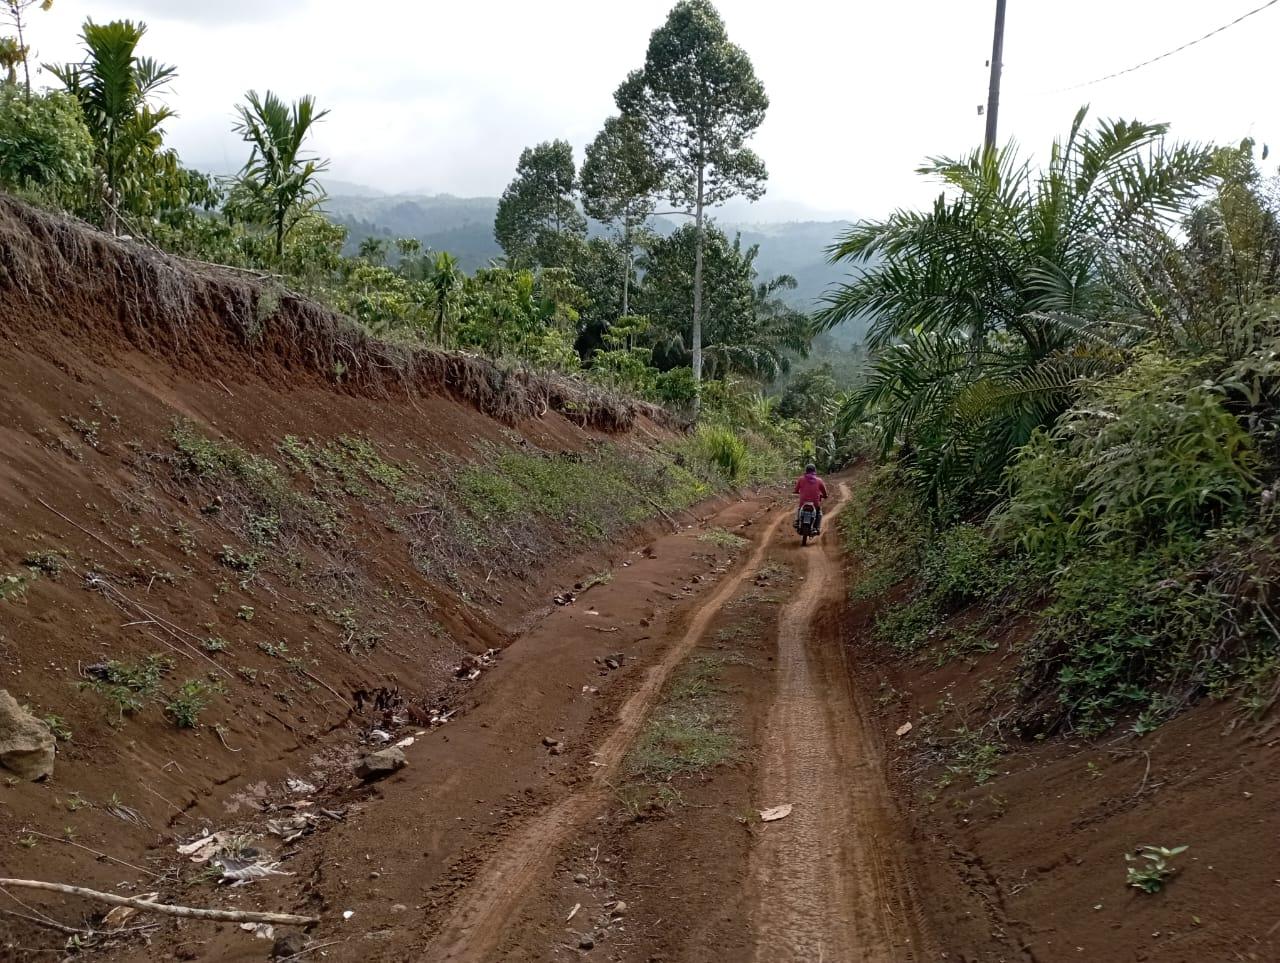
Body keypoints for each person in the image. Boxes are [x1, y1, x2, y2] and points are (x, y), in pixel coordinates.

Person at [793, 463, 829, 533]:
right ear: (814, 470)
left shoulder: (801, 479)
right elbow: (824, 492)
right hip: (815, 503)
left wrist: (796, 492)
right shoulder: (819, 480)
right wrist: (825, 495)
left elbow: (796, 490)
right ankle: (817, 527)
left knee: (799, 509)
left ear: (806, 470)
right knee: (819, 513)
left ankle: (797, 521)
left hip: (803, 502)